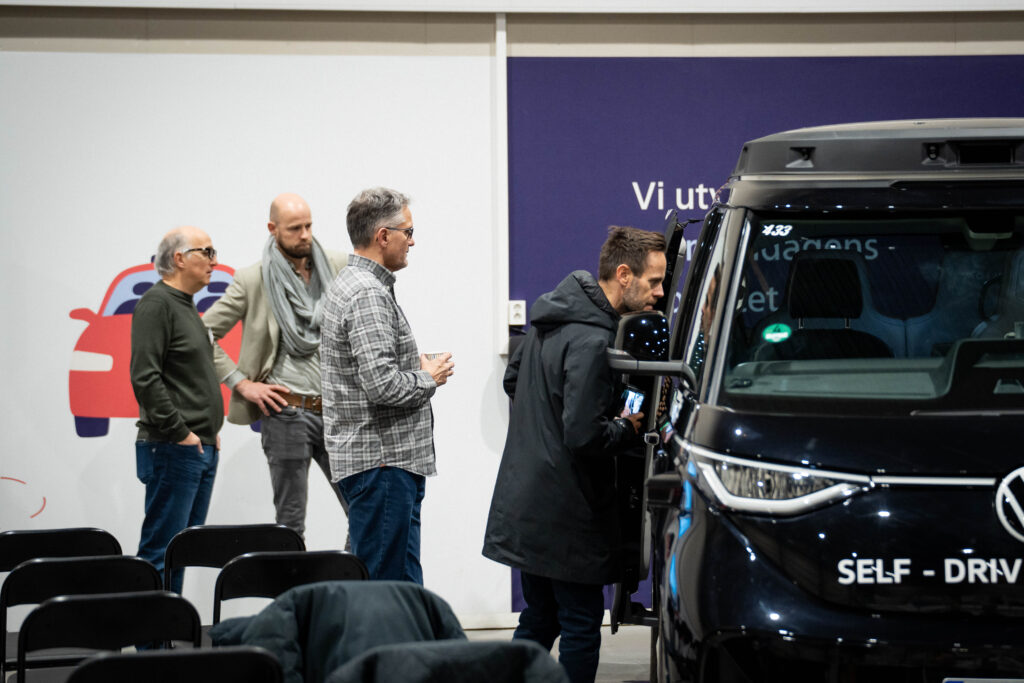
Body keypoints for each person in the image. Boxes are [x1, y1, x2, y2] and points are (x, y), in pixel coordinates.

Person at [482, 225, 667, 683]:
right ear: (623, 275)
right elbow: (584, 435)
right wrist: (626, 425)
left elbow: (514, 381)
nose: (661, 294)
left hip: (532, 504)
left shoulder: (552, 318)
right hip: (568, 513)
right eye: (654, 282)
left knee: (539, 618)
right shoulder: (593, 340)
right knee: (581, 626)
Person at [320, 187, 454, 584]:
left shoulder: (356, 285)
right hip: (382, 463)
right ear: (383, 236)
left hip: (382, 464)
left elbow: (372, 371)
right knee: (383, 590)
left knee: (399, 587)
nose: (412, 241)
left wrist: (414, 367)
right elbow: (382, 386)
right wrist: (429, 377)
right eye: (408, 232)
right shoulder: (366, 293)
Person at [203, 193, 349, 540]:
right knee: (290, 522)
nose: (305, 235)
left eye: (309, 225)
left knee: (363, 509)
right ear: (273, 228)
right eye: (295, 228)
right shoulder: (253, 278)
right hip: (286, 413)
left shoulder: (338, 265)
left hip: (339, 411)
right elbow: (201, 334)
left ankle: (350, 576)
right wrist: (241, 383)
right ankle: (294, 579)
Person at [131, 225, 224, 593]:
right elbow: (145, 377)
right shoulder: (157, 304)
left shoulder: (185, 306)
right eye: (207, 252)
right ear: (179, 258)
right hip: (173, 448)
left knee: (179, 552)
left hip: (197, 447)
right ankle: (152, 632)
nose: (214, 261)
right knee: (161, 554)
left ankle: (169, 629)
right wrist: (181, 432)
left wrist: (207, 431)